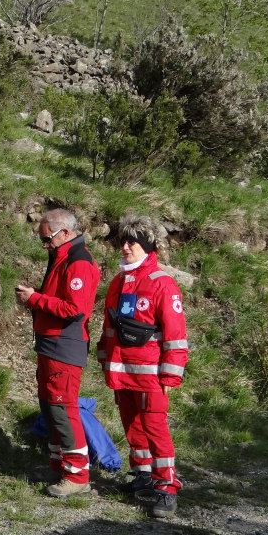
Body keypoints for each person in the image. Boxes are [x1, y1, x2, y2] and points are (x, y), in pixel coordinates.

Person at [97, 214, 188, 518]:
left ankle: (167, 487)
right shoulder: (119, 281)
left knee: (155, 429)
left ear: (148, 246)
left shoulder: (163, 284)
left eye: (132, 241)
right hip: (122, 373)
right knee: (132, 427)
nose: (125, 246)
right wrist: (103, 356)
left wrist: (170, 375)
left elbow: (176, 335)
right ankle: (144, 476)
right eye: (123, 241)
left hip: (151, 377)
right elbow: (109, 327)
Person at [15, 208, 101, 498]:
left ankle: (77, 475)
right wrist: (35, 297)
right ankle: (59, 464)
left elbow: (74, 309)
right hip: (50, 341)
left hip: (65, 344)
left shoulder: (79, 262)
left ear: (65, 233)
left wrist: (35, 299)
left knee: (63, 408)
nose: (44, 244)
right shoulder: (61, 256)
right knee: (50, 405)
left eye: (47, 239)